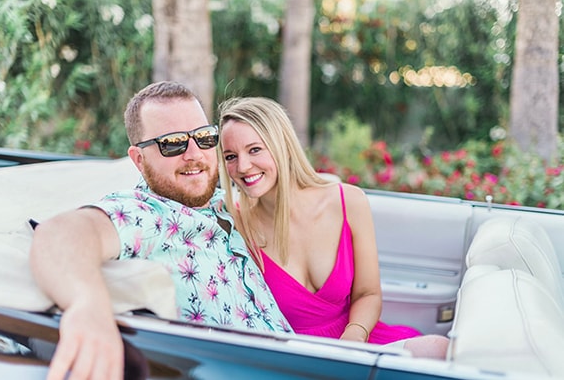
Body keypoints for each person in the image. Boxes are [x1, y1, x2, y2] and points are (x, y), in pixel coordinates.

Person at [29, 81, 292, 380]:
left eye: (204, 138)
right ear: (139, 160)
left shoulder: (226, 203)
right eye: (173, 143)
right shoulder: (147, 214)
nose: (194, 154)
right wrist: (86, 306)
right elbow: (61, 233)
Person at [217, 96, 450, 359]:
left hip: (356, 344)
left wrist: (354, 337)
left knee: (437, 349)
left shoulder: (349, 201)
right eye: (230, 156)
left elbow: (368, 293)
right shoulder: (233, 223)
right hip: (292, 359)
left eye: (255, 149)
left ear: (282, 144)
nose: (243, 166)